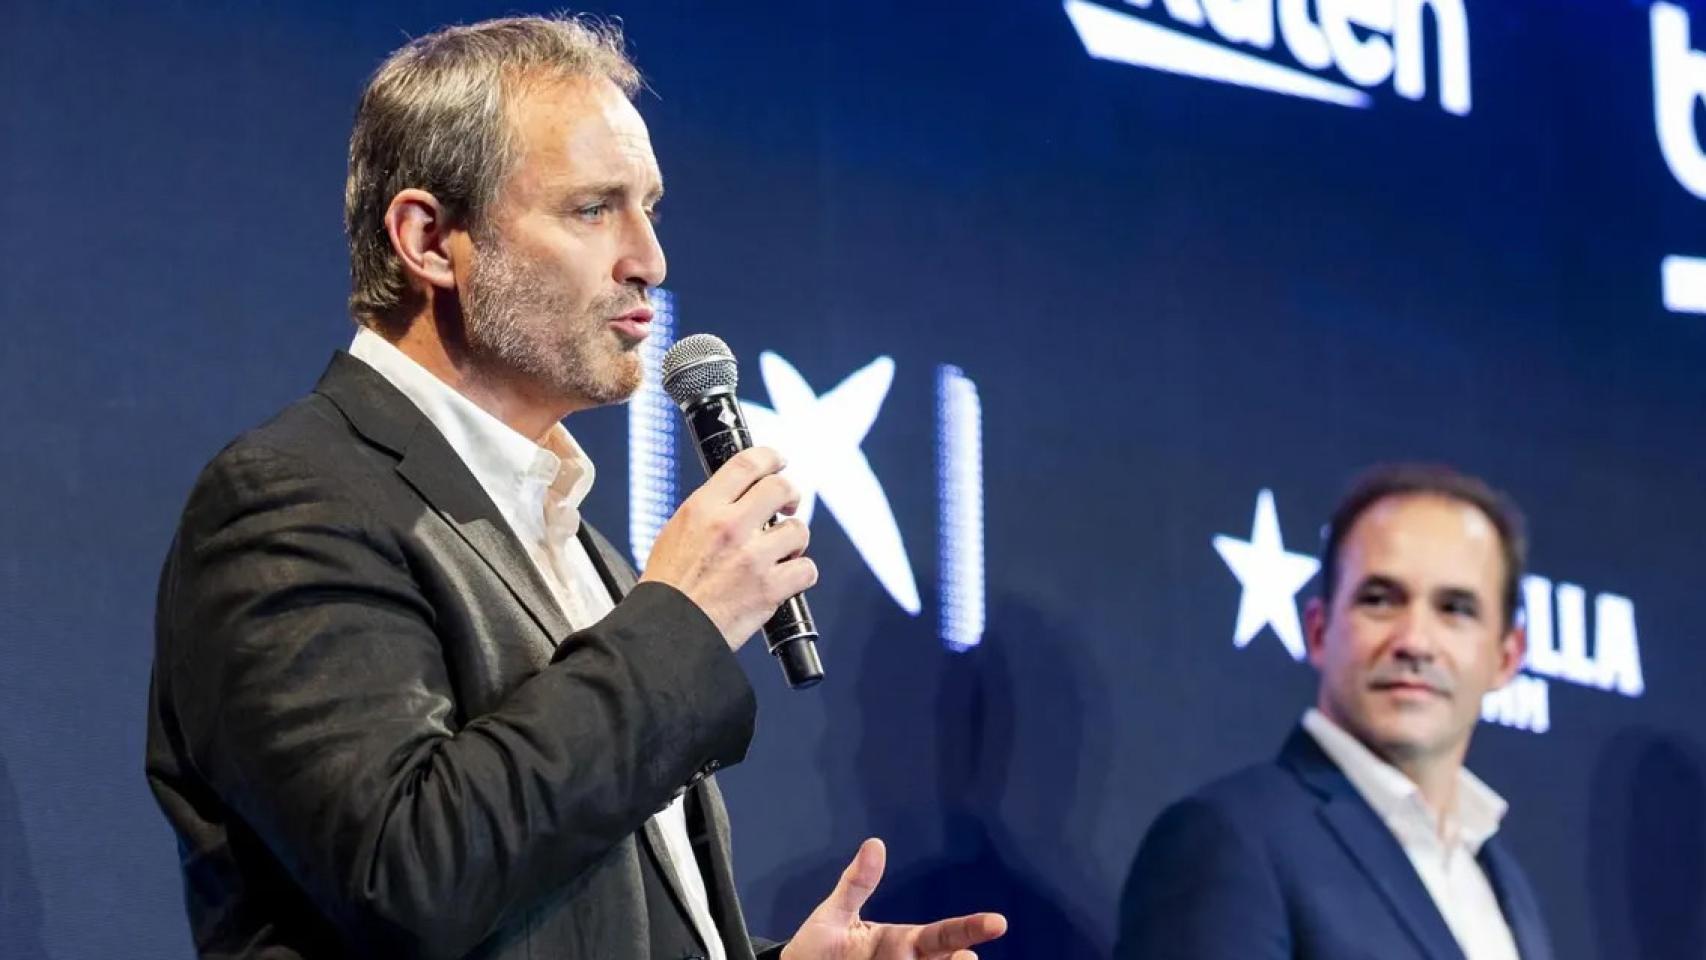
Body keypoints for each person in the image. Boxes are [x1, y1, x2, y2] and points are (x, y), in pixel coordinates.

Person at [144, 16, 1005, 960]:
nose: (650, 259)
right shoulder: (292, 497)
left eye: (650, 208)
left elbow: (558, 911)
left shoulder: (579, 547)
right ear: (431, 240)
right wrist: (677, 621)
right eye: (594, 209)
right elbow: (410, 874)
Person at [1115, 464, 1554, 960]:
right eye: (1379, 600)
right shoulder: (1229, 839)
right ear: (1319, 630)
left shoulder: (1503, 882)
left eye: (1455, 609)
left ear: (1507, 656)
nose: (1414, 641)